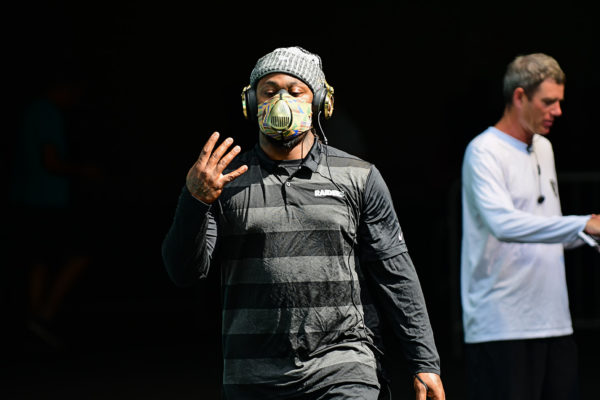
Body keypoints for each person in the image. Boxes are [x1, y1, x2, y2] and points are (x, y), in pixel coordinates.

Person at [162, 46, 445, 399]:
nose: (281, 100)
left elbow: (395, 271)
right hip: (254, 375)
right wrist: (194, 200)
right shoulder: (226, 182)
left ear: (319, 103)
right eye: (269, 91)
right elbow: (183, 272)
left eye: (295, 92)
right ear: (251, 103)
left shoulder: (358, 177)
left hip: (344, 366)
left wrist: (424, 362)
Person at [460, 53, 600, 400]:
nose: (557, 111)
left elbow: (545, 230)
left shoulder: (544, 148)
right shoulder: (483, 151)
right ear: (519, 97)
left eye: (559, 102)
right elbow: (503, 224)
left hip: (554, 321)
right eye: (548, 102)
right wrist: (585, 223)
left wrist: (587, 232)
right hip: (502, 326)